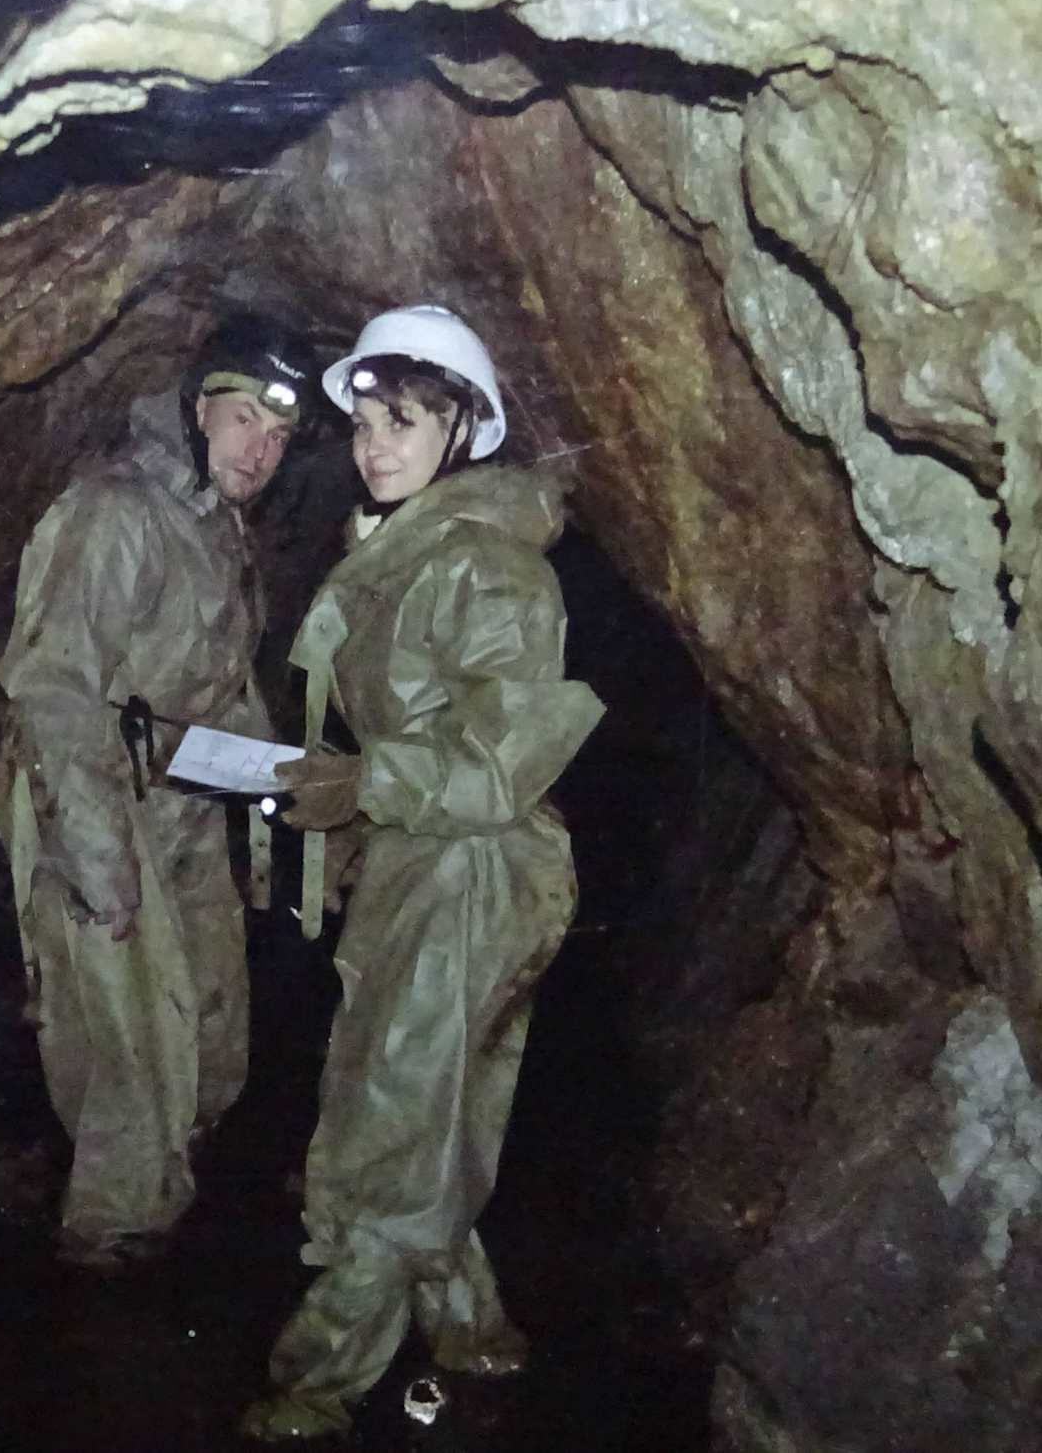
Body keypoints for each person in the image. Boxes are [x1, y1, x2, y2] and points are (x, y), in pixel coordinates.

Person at [242, 304, 604, 1439]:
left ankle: (319, 1380)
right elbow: (410, 736)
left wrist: (367, 784)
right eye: (365, 423)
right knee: (427, 1105)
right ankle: (471, 1328)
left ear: (462, 430)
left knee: (394, 1123)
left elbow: (501, 760)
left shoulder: (490, 569)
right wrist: (354, 818)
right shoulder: (404, 554)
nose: (373, 445)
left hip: (476, 871)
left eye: (401, 421)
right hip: (426, 859)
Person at [0, 317, 312, 1270]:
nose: (260, 451)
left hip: (180, 789)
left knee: (209, 1007)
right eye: (244, 419)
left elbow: (220, 685)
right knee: (131, 1030)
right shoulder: (115, 513)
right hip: (92, 786)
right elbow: (54, 691)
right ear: (197, 408)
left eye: (279, 436)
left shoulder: (216, 524)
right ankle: (110, 1246)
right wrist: (98, 862)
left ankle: (178, 1179)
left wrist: (285, 785)